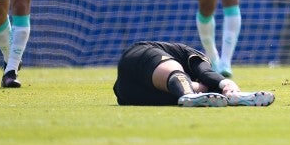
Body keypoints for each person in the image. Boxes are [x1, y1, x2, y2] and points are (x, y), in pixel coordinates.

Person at [112, 40, 275, 107]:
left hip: (128, 92)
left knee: (174, 95)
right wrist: (226, 83)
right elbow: (206, 73)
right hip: (139, 54)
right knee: (176, 72)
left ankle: (237, 99)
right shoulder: (196, 56)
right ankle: (189, 96)